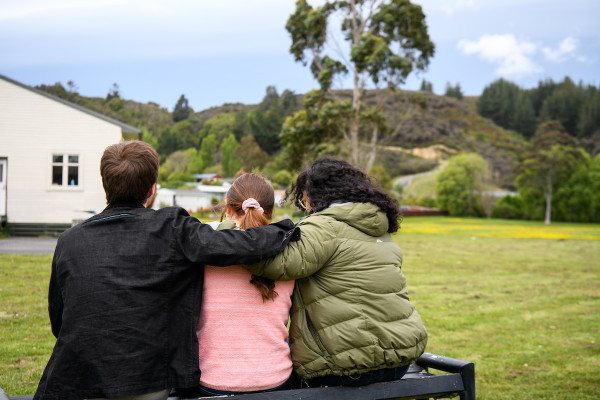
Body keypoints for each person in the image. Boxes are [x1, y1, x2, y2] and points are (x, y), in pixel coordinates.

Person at [34, 141, 298, 400]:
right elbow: (234, 244)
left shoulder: (68, 240)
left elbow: (58, 320)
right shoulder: (171, 227)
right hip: (149, 380)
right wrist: (284, 230)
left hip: (79, 379)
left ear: (105, 184)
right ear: (152, 189)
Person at [246, 156, 428, 387]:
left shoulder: (323, 227)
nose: (306, 208)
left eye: (304, 201)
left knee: (274, 381)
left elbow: (278, 264)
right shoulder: (379, 228)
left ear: (315, 196)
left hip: (348, 365)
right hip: (400, 359)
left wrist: (233, 233)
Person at [177, 173, 294, 397]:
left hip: (211, 381)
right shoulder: (290, 256)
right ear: (269, 213)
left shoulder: (203, 254)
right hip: (274, 380)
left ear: (228, 210)